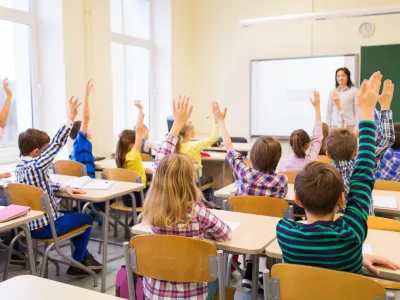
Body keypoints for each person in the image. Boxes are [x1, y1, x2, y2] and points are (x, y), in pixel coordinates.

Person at [276, 71, 384, 274]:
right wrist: (367, 110)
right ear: (342, 199)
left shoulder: (285, 233)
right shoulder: (352, 235)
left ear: (297, 199)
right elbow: (362, 175)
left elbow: (363, 174)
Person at [142, 96, 231, 299]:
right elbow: (225, 234)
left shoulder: (154, 210)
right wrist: (202, 236)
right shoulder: (196, 212)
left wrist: (177, 125)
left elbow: (160, 164)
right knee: (217, 274)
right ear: (190, 180)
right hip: (190, 295)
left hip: (154, 294)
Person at [15, 96, 102, 278]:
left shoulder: (21, 168)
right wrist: (70, 117)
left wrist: (63, 187)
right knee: (86, 220)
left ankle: (83, 258)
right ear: (37, 152)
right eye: (45, 150)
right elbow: (57, 143)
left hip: (28, 226)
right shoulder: (36, 165)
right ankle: (77, 264)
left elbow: (40, 186)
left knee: (74, 216)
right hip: (46, 225)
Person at [215, 101, 288, 289]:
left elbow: (230, 148)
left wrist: (221, 122)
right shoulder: (282, 182)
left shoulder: (244, 174)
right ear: (277, 159)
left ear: (253, 156)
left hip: (243, 231)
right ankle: (268, 274)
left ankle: (248, 269)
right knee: (270, 225)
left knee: (250, 222)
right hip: (271, 235)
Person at [326, 77, 395, 215]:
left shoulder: (322, 175)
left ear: (327, 153)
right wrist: (384, 105)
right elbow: (386, 139)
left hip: (334, 231)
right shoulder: (363, 167)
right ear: (356, 151)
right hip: (364, 230)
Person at [115, 101, 152, 207]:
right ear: (132, 145)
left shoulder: (120, 157)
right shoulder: (133, 155)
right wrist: (140, 110)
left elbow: (132, 171)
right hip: (139, 198)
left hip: (126, 198)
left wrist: (143, 171)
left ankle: (137, 220)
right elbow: (139, 130)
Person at [175, 103, 219, 190]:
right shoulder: (194, 145)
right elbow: (213, 138)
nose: (195, 130)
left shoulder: (176, 146)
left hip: (181, 180)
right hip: (195, 179)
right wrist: (216, 121)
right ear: (188, 133)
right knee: (209, 178)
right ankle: (206, 199)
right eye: (193, 129)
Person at [277, 91, 323, 172]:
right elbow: (317, 138)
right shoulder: (310, 162)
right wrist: (317, 107)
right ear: (308, 145)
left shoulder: (282, 163)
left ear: (290, 142)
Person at [69, 80, 95, 178]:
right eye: (88, 127)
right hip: (88, 182)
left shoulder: (76, 147)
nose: (90, 129)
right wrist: (87, 95)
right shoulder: (81, 141)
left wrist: (92, 162)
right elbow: (86, 117)